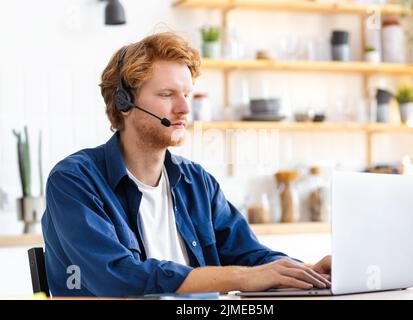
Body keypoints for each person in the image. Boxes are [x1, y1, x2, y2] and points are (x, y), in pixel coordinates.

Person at [42, 32, 331, 297]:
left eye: (187, 94)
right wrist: (241, 278)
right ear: (124, 102)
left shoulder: (196, 181)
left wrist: (307, 271)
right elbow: (118, 279)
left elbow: (251, 256)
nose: (185, 109)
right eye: (167, 95)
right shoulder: (74, 181)